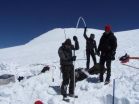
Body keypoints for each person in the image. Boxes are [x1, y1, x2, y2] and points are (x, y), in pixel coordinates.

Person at [58, 36, 79, 100]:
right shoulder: (61, 49)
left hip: (71, 66)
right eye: (67, 45)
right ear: (65, 44)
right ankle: (63, 93)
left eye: (70, 46)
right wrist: (71, 58)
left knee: (73, 79)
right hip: (64, 66)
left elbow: (77, 48)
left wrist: (76, 41)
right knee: (66, 80)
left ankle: (71, 92)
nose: (69, 47)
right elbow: (63, 58)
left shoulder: (70, 47)